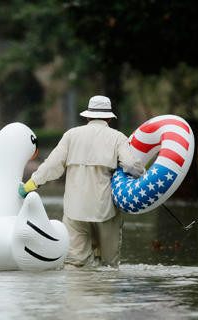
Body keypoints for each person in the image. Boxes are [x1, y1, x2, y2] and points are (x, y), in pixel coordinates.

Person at [19, 95, 144, 269]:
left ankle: (79, 295)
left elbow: (51, 165)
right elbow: (131, 164)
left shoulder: (71, 135)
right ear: (109, 117)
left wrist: (31, 184)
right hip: (105, 210)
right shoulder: (118, 138)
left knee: (76, 264)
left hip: (75, 210)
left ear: (87, 116)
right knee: (109, 265)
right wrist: (142, 177)